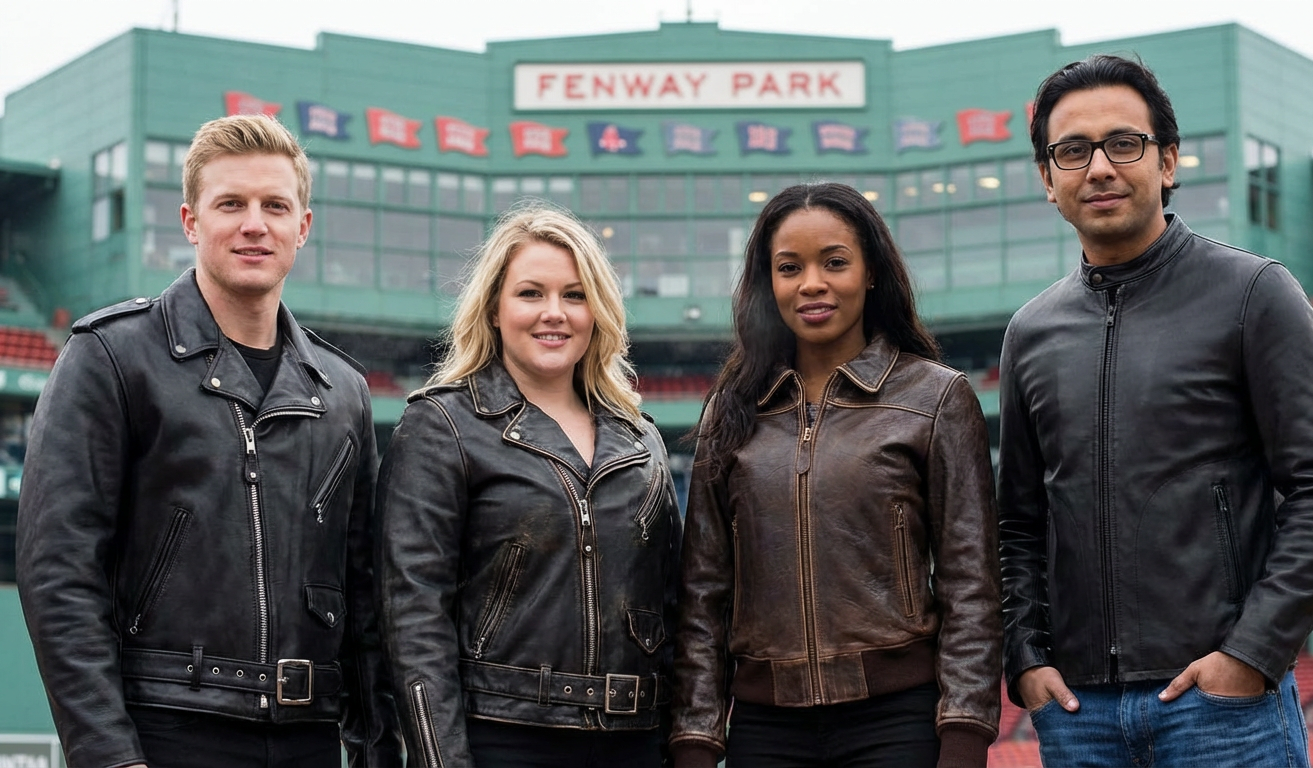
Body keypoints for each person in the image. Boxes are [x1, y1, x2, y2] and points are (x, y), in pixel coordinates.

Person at [999, 54, 1313, 767]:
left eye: (1122, 143)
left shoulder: (1255, 295)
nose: (1098, 168)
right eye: (1072, 151)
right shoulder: (1030, 333)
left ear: (1167, 160)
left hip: (1224, 710)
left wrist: (1250, 653)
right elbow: (1016, 522)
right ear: (1047, 178)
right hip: (1078, 715)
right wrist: (1025, 658)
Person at [15, 114, 401, 767]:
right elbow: (58, 570)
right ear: (191, 222)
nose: (255, 224)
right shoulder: (111, 356)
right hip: (164, 731)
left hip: (308, 736)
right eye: (231, 204)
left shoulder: (343, 390)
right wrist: (109, 755)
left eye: (275, 205)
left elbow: (364, 598)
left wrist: (378, 751)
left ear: (302, 226)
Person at [671, 182, 1002, 768]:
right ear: (768, 283)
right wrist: (696, 740)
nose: (811, 284)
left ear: (870, 272)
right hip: (765, 729)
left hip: (897, 721)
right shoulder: (730, 411)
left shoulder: (935, 398)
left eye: (834, 262)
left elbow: (970, 584)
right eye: (789, 268)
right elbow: (703, 595)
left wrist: (965, 733)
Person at [377, 204, 681, 767]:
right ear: (494, 309)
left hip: (632, 740)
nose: (554, 313)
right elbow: (413, 617)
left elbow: (672, 605)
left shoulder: (642, 440)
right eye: (530, 293)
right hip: (501, 738)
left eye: (574, 295)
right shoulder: (442, 426)